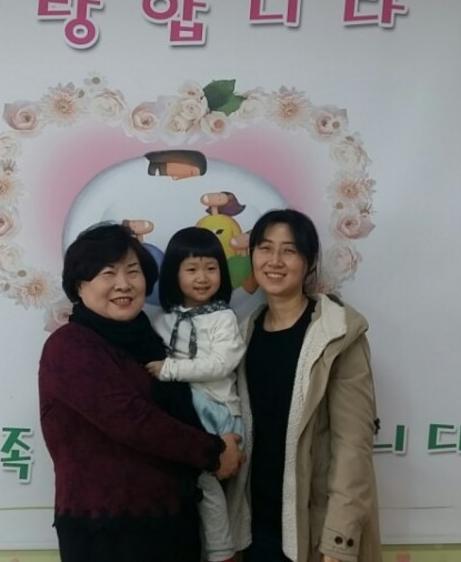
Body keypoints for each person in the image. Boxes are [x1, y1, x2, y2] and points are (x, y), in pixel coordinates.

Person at [38, 223, 244, 562]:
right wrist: (212, 452)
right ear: (79, 285)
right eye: (108, 273)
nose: (124, 283)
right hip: (107, 533)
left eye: (133, 271)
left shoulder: (152, 341)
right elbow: (132, 420)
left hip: (174, 525)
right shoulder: (70, 346)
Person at [226, 209, 382, 562]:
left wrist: (338, 542)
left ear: (309, 263)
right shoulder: (242, 336)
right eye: (265, 248)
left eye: (290, 251)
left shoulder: (337, 335)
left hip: (314, 529)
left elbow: (352, 445)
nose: (275, 261)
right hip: (256, 528)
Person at [147, 227, 245, 562]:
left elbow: (221, 364)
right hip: (184, 414)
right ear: (174, 275)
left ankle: (222, 553)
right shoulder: (162, 321)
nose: (202, 278)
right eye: (191, 269)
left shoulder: (224, 318)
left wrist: (170, 369)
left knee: (206, 482)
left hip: (217, 413)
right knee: (187, 484)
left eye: (211, 268)